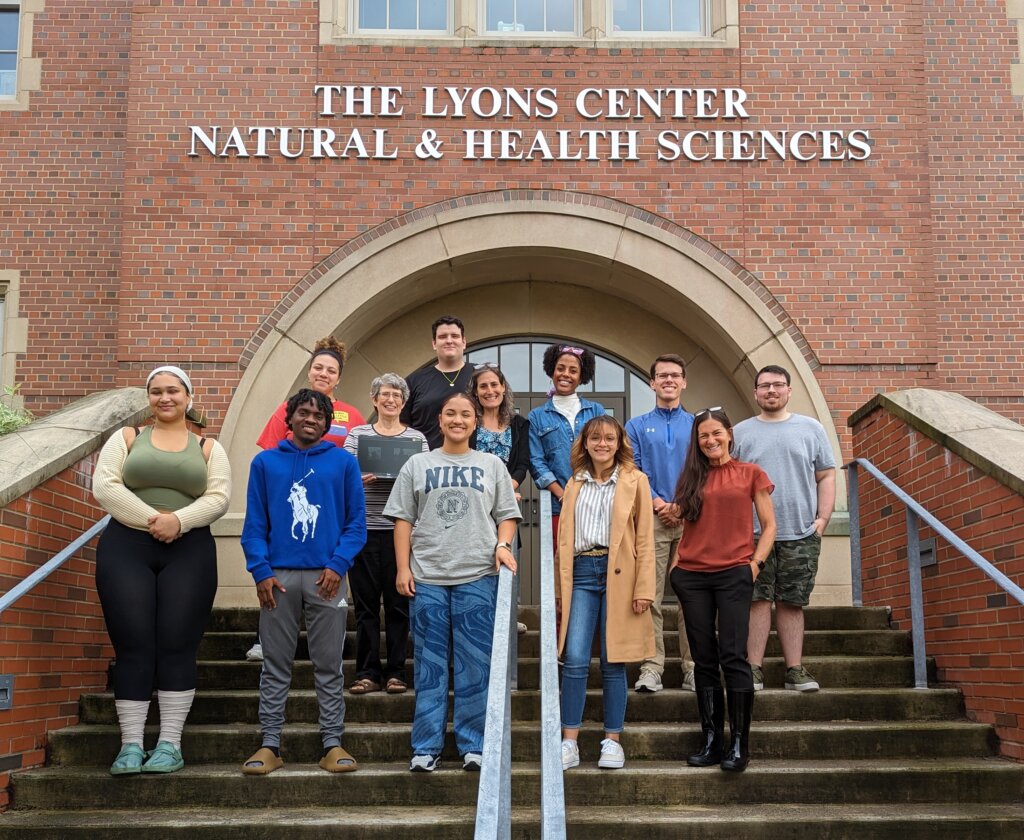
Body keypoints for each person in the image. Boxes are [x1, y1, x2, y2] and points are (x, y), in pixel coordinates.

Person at [92, 365, 231, 776]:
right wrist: (155, 518)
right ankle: (131, 745)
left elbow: (220, 496)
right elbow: (106, 486)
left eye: (173, 391)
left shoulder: (208, 447)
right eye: (156, 392)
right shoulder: (127, 438)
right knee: (133, 644)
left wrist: (180, 521)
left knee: (177, 643)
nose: (165, 398)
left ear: (189, 397)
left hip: (190, 550)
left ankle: (169, 743)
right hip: (126, 546)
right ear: (148, 398)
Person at [384, 392, 521, 773]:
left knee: (474, 664)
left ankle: (473, 744)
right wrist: (402, 568)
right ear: (440, 420)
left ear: (475, 422)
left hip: (477, 574)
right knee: (430, 665)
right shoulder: (418, 463)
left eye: (465, 414)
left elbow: (507, 515)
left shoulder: (491, 464)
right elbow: (402, 520)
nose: (458, 420)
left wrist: (502, 544)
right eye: (450, 414)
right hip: (427, 574)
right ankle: (426, 747)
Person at [240, 389, 367, 776]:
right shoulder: (265, 463)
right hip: (277, 577)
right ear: (289, 417)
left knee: (329, 664)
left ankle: (332, 743)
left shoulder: (343, 463)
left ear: (328, 423)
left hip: (326, 577)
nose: (311, 418)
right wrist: (260, 570)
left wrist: (338, 565)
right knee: (275, 664)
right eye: (303, 412)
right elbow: (255, 525)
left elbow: (355, 525)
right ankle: (270, 745)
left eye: (318, 415)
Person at [670, 408, 776, 773]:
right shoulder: (691, 477)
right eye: (703, 436)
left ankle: (739, 745)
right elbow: (683, 524)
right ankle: (712, 740)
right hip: (692, 576)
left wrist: (755, 565)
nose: (710, 440)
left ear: (729, 433)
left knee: (733, 656)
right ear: (697, 441)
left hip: (734, 573)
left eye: (716, 433)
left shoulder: (751, 474)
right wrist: (676, 569)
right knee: (703, 659)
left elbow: (770, 524)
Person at [247, 335, 365, 662]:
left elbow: (360, 457)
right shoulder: (287, 408)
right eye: (318, 368)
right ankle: (264, 640)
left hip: (331, 507)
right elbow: (271, 458)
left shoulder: (351, 415)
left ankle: (329, 644)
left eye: (331, 370)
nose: (324, 374)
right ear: (309, 372)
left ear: (339, 377)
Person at [557, 416, 655, 771]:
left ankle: (612, 741)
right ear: (584, 443)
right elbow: (564, 542)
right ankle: (569, 741)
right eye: (595, 438)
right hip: (582, 573)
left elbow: (645, 539)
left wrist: (644, 588)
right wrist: (559, 589)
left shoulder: (635, 481)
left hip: (621, 577)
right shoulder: (574, 483)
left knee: (614, 661)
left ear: (619, 443)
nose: (602, 444)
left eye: (609, 438)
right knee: (576, 658)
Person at [733, 364, 836, 693]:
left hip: (800, 533)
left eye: (778, 385)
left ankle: (794, 670)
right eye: (765, 386)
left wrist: (822, 519)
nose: (772, 391)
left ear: (789, 391)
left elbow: (826, 475)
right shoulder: (741, 432)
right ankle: (753, 670)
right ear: (756, 393)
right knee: (757, 601)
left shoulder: (811, 428)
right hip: (752, 535)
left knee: (793, 602)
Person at [343, 374, 428, 695]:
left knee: (397, 605)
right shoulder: (357, 435)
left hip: (401, 533)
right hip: (363, 530)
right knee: (364, 607)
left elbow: (424, 482)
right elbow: (343, 478)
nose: (390, 400)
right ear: (374, 400)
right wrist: (357, 480)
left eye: (396, 395)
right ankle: (366, 673)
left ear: (403, 403)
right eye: (384, 395)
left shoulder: (417, 440)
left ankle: (396, 673)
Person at [625, 354, 696, 694]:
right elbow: (633, 469)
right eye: (662, 376)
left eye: (675, 375)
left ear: (684, 382)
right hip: (650, 519)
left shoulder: (697, 424)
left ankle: (693, 667)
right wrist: (657, 502)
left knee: (690, 597)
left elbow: (702, 469)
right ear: (651, 382)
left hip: (691, 519)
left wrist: (681, 505)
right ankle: (651, 667)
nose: (669, 380)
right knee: (649, 597)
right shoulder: (636, 426)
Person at [467, 362, 531, 634]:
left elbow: (522, 464)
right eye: (483, 386)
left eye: (494, 384)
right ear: (475, 392)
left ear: (503, 388)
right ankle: (478, 612)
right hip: (474, 500)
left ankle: (506, 613)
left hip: (505, 501)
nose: (490, 390)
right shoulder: (468, 422)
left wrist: (505, 490)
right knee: (477, 556)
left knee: (507, 552)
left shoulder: (519, 424)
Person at [528, 344, 605, 536]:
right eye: (560, 368)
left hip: (597, 503)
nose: (565, 374)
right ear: (552, 371)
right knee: (560, 563)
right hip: (558, 506)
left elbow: (608, 453)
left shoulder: (596, 411)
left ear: (581, 376)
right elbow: (536, 461)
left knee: (595, 561)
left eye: (573, 370)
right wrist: (563, 495)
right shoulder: (537, 416)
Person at [401, 315, 474, 449]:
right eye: (442, 337)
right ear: (434, 343)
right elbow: (401, 426)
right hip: (425, 462)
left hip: (473, 463)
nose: (449, 341)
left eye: (455, 336)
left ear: (464, 342)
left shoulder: (480, 376)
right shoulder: (414, 380)